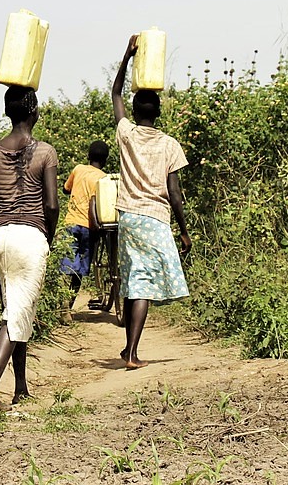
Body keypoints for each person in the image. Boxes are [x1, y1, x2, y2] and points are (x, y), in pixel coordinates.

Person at [110, 35, 191, 370]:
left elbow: (115, 94)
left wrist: (127, 58)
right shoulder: (169, 145)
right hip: (155, 218)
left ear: (136, 110)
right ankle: (131, 353)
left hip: (128, 215)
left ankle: (127, 348)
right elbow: (174, 193)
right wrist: (184, 230)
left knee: (132, 279)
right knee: (141, 283)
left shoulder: (126, 133)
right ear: (158, 112)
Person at [0, 85, 59, 410]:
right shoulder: (44, 152)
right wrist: (47, 236)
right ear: (35, 111)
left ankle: (21, 386)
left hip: (2, 236)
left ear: (8, 112)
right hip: (30, 236)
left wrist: (1, 215)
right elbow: (51, 205)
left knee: (16, 308)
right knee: (17, 313)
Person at [59, 140, 110, 300]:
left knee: (66, 264)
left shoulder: (78, 169)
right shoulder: (104, 178)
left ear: (88, 156)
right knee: (80, 267)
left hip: (71, 223)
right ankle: (70, 301)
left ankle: (61, 304)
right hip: (89, 227)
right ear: (105, 160)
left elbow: (66, 189)